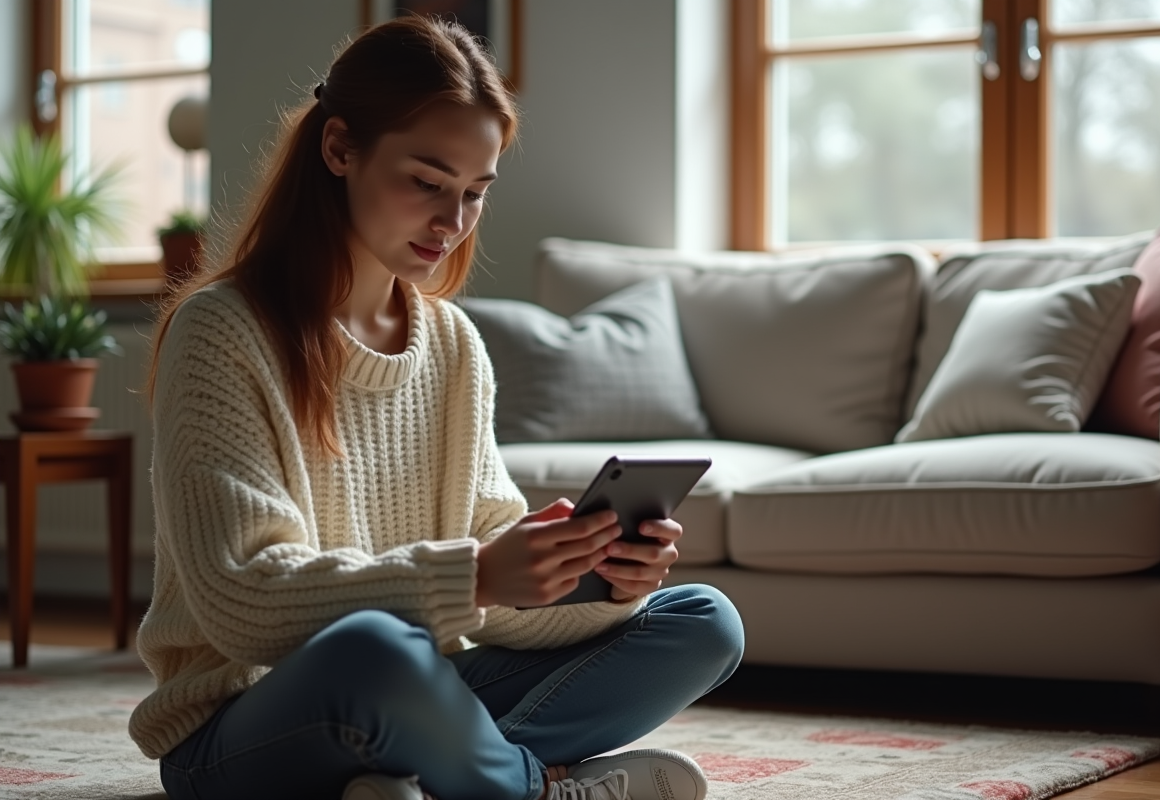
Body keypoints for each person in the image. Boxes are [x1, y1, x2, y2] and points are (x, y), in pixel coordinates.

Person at [129, 15, 744, 800]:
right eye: (426, 181)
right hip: (241, 726)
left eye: (475, 194)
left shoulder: (453, 345)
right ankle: (528, 787)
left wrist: (599, 581)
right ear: (340, 149)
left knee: (702, 621)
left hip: (423, 686)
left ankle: (431, 778)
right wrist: (479, 575)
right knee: (379, 651)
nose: (452, 224)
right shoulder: (220, 330)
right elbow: (242, 598)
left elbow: (486, 589)